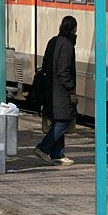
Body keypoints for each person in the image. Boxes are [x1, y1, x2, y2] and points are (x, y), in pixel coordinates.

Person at [34, 15, 78, 166]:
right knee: (64, 121)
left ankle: (57, 153)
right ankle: (43, 148)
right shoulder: (67, 45)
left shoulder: (53, 41)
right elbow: (63, 71)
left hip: (50, 88)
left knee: (58, 120)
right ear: (73, 28)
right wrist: (71, 86)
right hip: (60, 91)